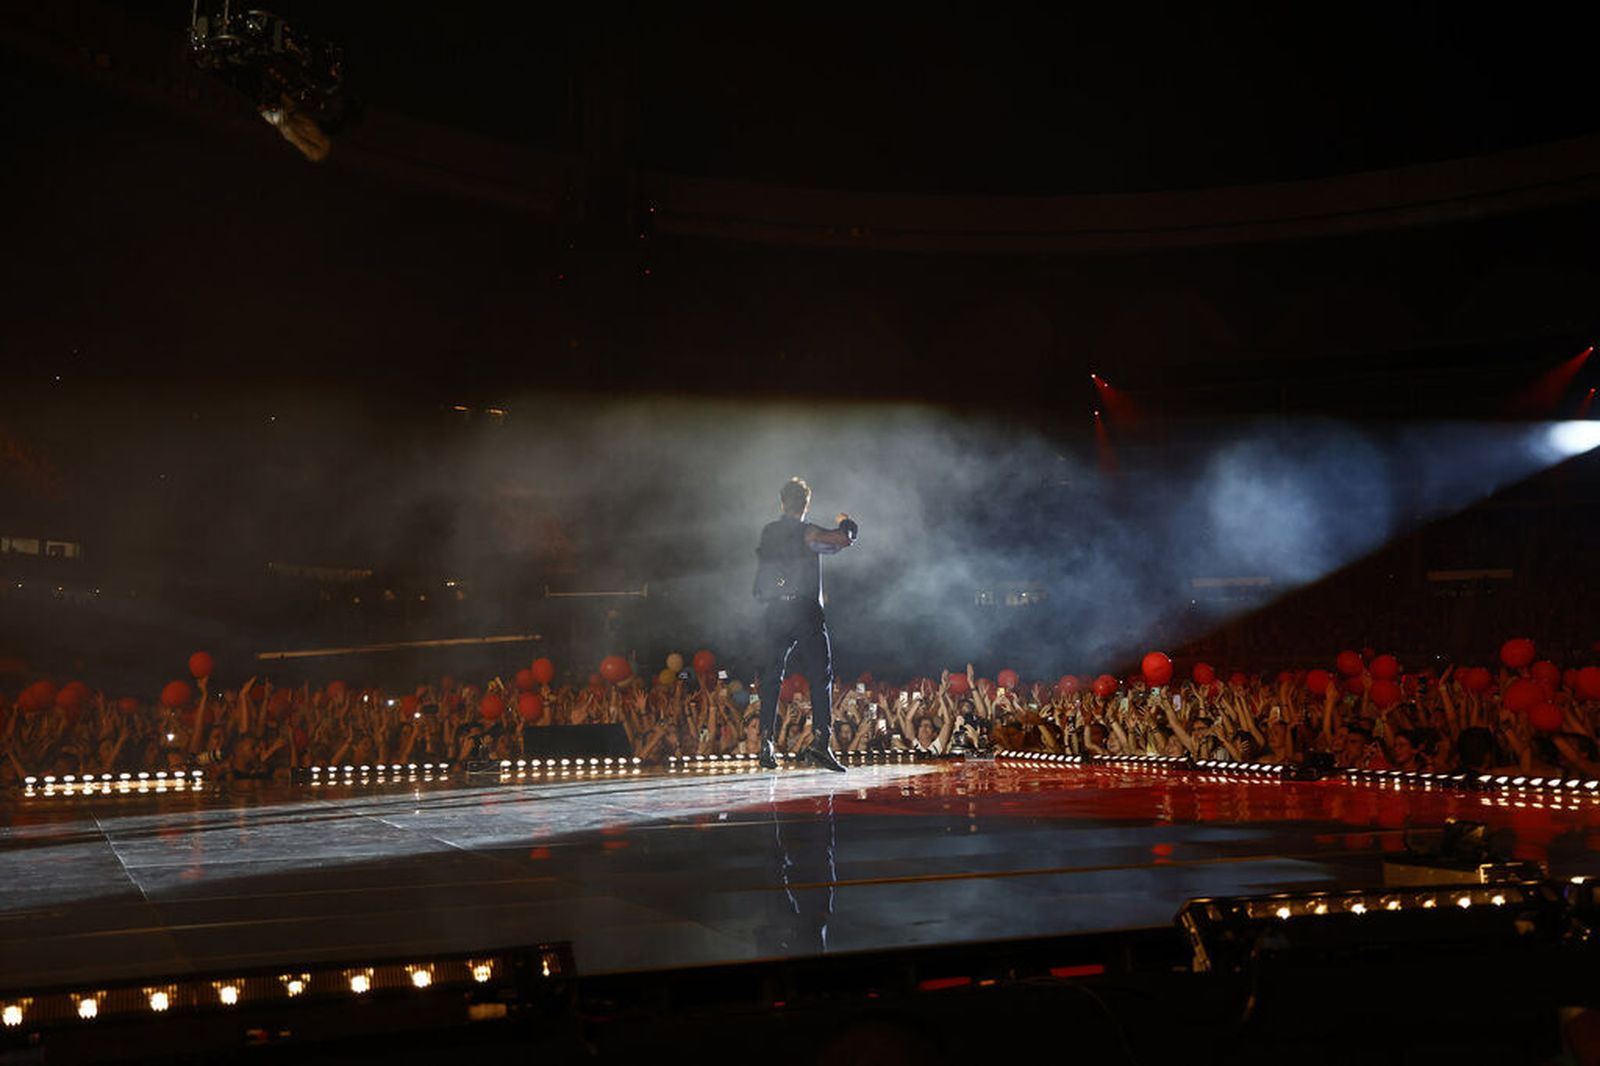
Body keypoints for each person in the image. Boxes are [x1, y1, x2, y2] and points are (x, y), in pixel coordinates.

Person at [753, 477, 858, 771]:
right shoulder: (806, 531)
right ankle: (820, 742)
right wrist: (846, 522)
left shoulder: (769, 531)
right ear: (806, 504)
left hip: (775, 610)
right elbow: (842, 540)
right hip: (803, 610)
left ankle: (766, 741)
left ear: (781, 502)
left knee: (773, 676)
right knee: (820, 676)